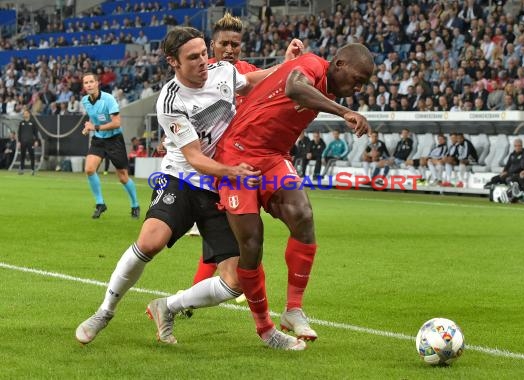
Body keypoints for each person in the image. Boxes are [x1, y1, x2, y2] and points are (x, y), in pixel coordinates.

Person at [75, 26, 301, 347]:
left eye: (203, 54)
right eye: (192, 57)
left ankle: (167, 307)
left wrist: (287, 64)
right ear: (173, 62)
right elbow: (194, 157)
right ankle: (104, 311)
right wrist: (233, 170)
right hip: (181, 179)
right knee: (151, 241)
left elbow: (252, 81)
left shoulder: (223, 71)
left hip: (218, 187)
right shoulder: (169, 101)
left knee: (235, 281)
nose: (202, 62)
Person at [214, 43, 374, 350]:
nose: (357, 88)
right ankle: (265, 328)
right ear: (338, 63)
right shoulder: (313, 64)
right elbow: (294, 86)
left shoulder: (327, 89)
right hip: (236, 154)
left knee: (303, 216)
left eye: (363, 85)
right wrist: (345, 112)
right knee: (251, 243)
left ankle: (293, 309)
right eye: (357, 79)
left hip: (273, 157)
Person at [191, 12, 305, 290]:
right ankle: (189, 299)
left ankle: (190, 299)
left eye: (235, 44)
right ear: (211, 45)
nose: (229, 50)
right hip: (217, 167)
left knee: (242, 238)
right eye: (224, 44)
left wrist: (290, 63)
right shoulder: (199, 74)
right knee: (235, 239)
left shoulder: (247, 70)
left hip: (249, 165)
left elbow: (274, 86)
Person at [80, 73, 140, 219]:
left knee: (122, 177)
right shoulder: (85, 101)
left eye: (91, 82)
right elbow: (93, 117)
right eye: (86, 82)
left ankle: (135, 204)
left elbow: (117, 123)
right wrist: (88, 126)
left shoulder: (108, 99)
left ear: (97, 83)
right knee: (89, 169)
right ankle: (100, 203)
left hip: (114, 140)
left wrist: (95, 127)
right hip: (99, 140)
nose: (88, 85)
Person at [17, 109, 40, 175]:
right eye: (24, 113)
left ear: (29, 114)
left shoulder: (33, 122)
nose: (25, 114)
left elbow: (36, 133)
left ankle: (32, 170)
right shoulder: (21, 123)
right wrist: (19, 142)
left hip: (30, 142)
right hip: (23, 142)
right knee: (22, 156)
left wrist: (36, 141)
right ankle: (21, 169)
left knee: (32, 156)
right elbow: (19, 133)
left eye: (26, 113)